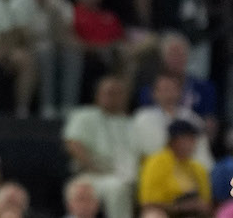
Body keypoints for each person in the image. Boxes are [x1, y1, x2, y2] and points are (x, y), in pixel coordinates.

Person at [63, 75, 137, 218]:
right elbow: (73, 144)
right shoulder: (85, 115)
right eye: (109, 93)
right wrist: (94, 168)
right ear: (98, 95)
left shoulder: (130, 123)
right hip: (92, 175)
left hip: (127, 174)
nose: (114, 97)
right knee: (117, 187)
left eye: (119, 93)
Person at [8, 0, 74, 117]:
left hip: (53, 45)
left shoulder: (58, 3)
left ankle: (68, 105)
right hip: (26, 46)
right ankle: (47, 105)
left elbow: (64, 34)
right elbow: (21, 36)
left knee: (72, 54)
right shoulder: (19, 2)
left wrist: (52, 13)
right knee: (46, 52)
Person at [132, 73, 213, 168]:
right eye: (164, 89)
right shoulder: (142, 118)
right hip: (156, 169)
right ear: (154, 93)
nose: (168, 94)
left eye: (172, 89)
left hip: (189, 171)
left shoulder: (193, 119)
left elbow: (202, 153)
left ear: (179, 92)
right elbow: (141, 151)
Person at [138, 120, 212, 215]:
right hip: (167, 212)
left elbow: (207, 204)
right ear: (174, 140)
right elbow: (148, 203)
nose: (193, 143)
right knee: (152, 215)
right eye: (189, 138)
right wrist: (181, 207)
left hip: (192, 214)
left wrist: (199, 205)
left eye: (194, 139)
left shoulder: (198, 168)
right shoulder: (156, 162)